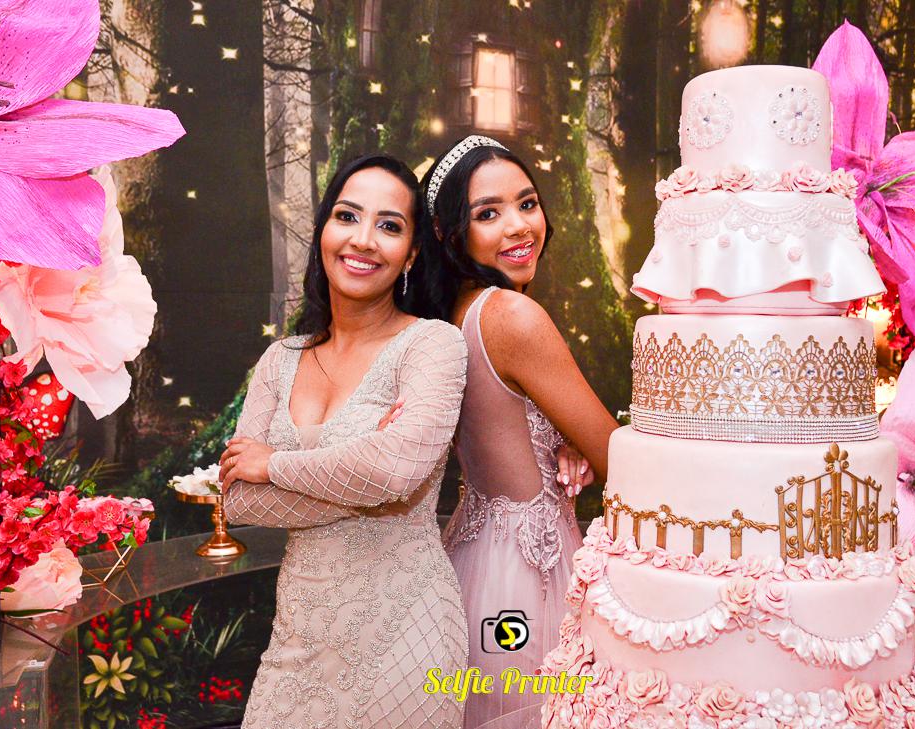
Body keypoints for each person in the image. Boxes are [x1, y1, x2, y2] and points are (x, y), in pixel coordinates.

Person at [218, 154, 467, 729]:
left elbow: (397, 472)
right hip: (297, 642)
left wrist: (273, 463)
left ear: (411, 253)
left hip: (406, 636)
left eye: (389, 225)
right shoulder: (280, 359)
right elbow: (239, 500)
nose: (363, 240)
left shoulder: (432, 345)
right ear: (323, 230)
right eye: (347, 216)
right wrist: (366, 475)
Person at [419, 136, 619, 729]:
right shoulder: (511, 315)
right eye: (488, 213)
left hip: (471, 570)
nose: (519, 226)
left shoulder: (451, 314)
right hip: (529, 585)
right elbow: (617, 454)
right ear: (449, 233)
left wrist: (565, 435)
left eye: (527, 203)